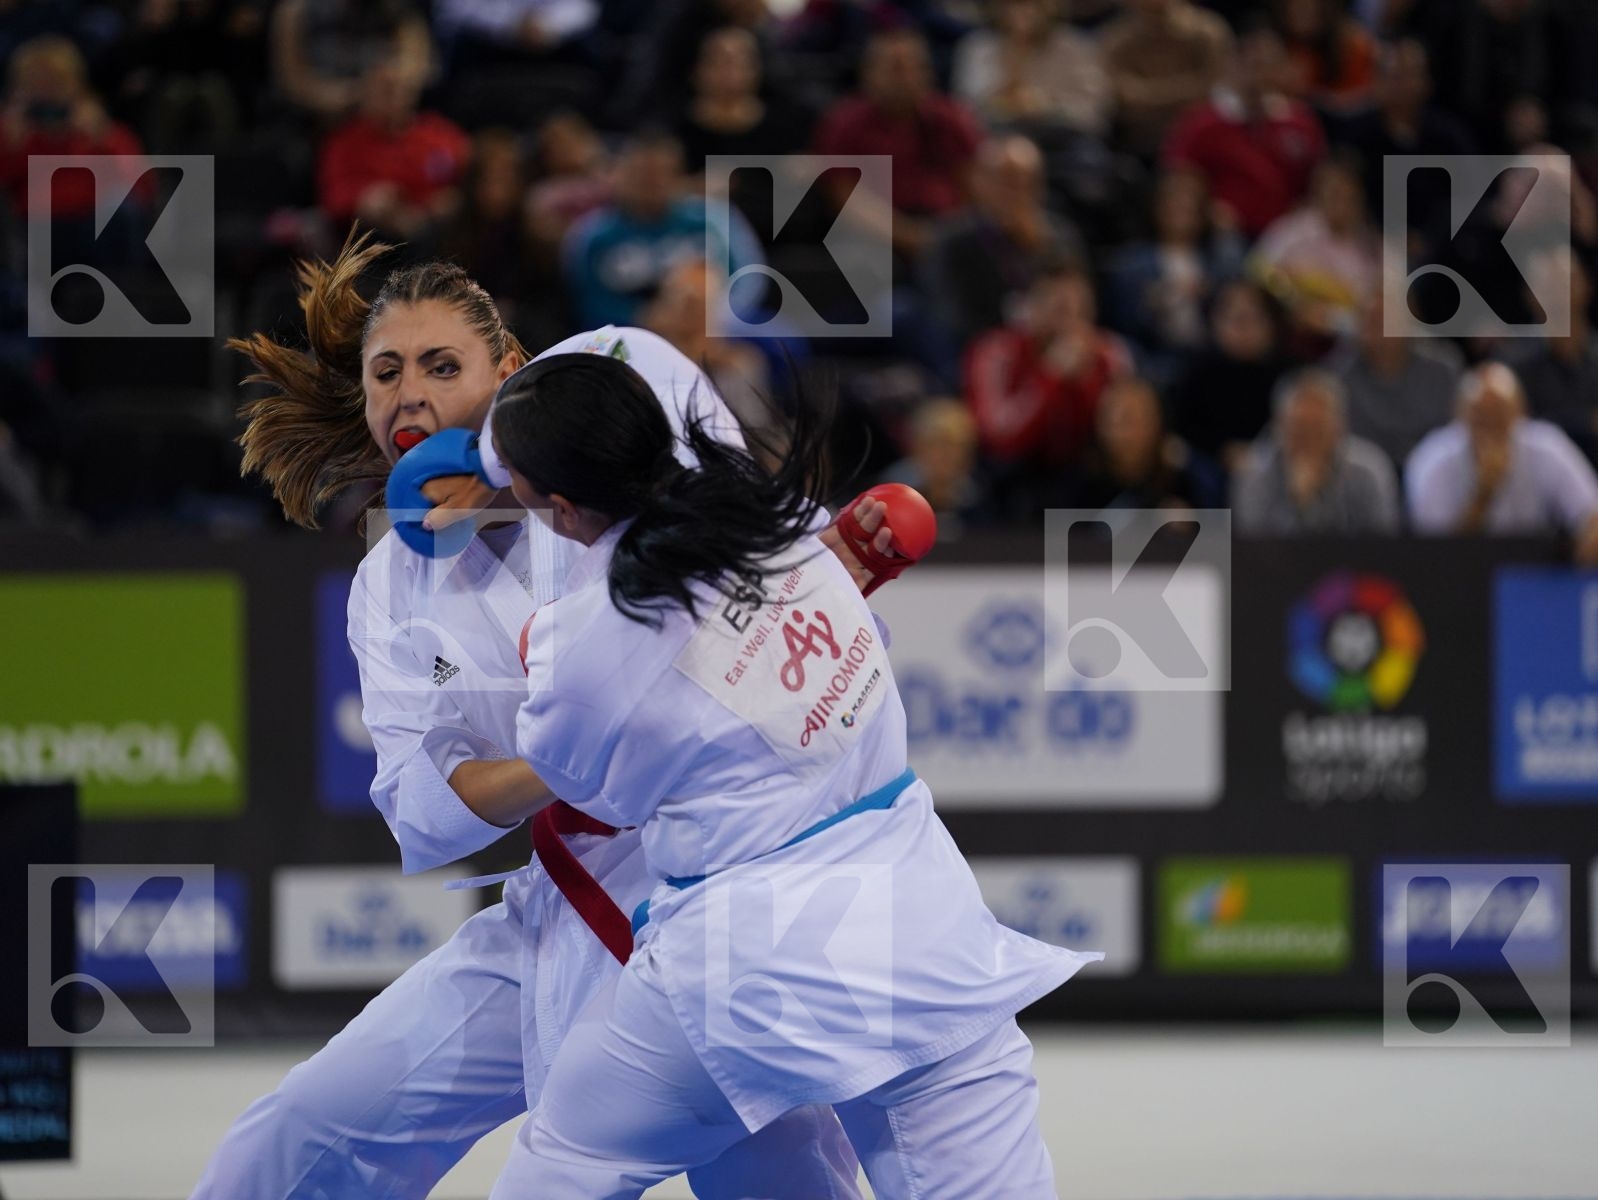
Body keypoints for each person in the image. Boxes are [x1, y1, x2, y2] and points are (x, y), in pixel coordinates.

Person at [193, 232, 909, 1200]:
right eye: (385, 373)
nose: (408, 396)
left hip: (720, 909)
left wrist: (831, 563)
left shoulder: (622, 400)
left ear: (513, 373)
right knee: (301, 1133)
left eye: (442, 367)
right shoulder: (388, 586)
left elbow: (745, 565)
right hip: (555, 914)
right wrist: (564, 761)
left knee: (777, 1177)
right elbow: (428, 804)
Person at [482, 351, 1100, 1198]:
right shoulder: (788, 523)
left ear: (554, 507)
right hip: (923, 935)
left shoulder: (578, 641)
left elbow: (597, 797)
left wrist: (543, 653)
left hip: (747, 965)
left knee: (567, 1165)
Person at [1406, 362, 1598, 562]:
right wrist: (1482, 496)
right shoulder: (1433, 459)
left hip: (1532, 576)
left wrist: (1590, 536)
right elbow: (1433, 556)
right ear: (1460, 416)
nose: (1490, 432)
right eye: (1481, 420)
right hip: (1458, 581)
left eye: (1499, 418)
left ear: (1520, 414)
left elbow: (1591, 513)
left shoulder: (1547, 447)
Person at [1162, 20, 1327, 239]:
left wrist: (1301, 214)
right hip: (1223, 235)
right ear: (1233, 63)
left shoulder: (1300, 122)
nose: (1259, 73)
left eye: (1267, 63)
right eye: (1253, 63)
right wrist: (1209, 211)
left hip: (1287, 235)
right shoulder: (1202, 123)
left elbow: (1319, 183)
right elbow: (1178, 180)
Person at [1232, 368, 1400, 534]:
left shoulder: (1368, 470)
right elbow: (1253, 546)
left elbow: (1382, 542)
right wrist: (1299, 503)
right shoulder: (1254, 472)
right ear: (1279, 426)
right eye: (1299, 428)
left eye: (1318, 429)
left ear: (1339, 427)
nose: (1309, 440)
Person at [1326, 293, 1462, 470]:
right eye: (1370, 322)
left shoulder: (1442, 372)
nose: (1378, 332)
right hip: (1363, 475)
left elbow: (1453, 437)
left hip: (1431, 471)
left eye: (1386, 322)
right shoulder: (1339, 376)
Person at [1100, 0, 1234, 158]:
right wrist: (1186, 91)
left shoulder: (1208, 32)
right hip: (1136, 144)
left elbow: (1217, 91)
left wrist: (1148, 94)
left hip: (1203, 144)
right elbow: (1123, 98)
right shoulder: (1115, 38)